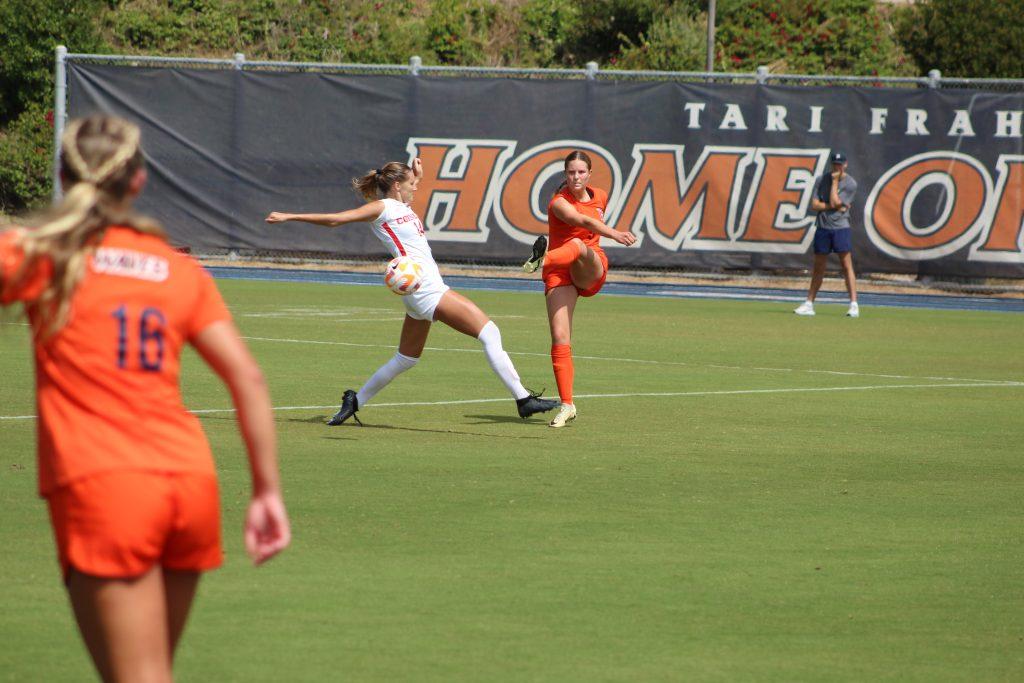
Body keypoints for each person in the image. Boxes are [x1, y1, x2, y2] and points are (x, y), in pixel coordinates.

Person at [0, 115, 290, 682]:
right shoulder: (175, 268)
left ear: (63, 175)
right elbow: (248, 379)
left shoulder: (45, 252)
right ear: (137, 181)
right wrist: (266, 492)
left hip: (108, 489)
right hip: (188, 484)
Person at [265, 158, 559, 425]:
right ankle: (523, 399)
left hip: (416, 291)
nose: (415, 190)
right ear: (396, 186)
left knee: (406, 358)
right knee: (490, 332)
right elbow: (336, 219)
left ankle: (355, 400)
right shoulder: (381, 208)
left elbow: (407, 198)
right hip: (426, 289)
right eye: (411, 185)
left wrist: (417, 174)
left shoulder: (401, 207)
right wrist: (291, 216)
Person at [521, 150, 637, 428]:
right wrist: (615, 233)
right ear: (565, 174)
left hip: (589, 266)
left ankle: (542, 257)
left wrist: (608, 235)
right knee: (560, 337)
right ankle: (567, 404)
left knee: (578, 247)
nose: (576, 177)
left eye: (581, 172)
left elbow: (590, 224)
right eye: (571, 172)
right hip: (560, 272)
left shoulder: (601, 196)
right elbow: (583, 221)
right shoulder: (558, 203)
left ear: (589, 174)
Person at [794, 151, 860, 317]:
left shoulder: (851, 184)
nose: (837, 167)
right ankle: (809, 304)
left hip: (840, 227)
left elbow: (835, 201)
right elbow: (815, 205)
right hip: (823, 227)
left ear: (845, 164)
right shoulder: (821, 179)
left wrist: (836, 183)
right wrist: (835, 206)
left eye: (840, 164)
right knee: (818, 268)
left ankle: (854, 305)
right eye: (834, 164)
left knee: (846, 266)